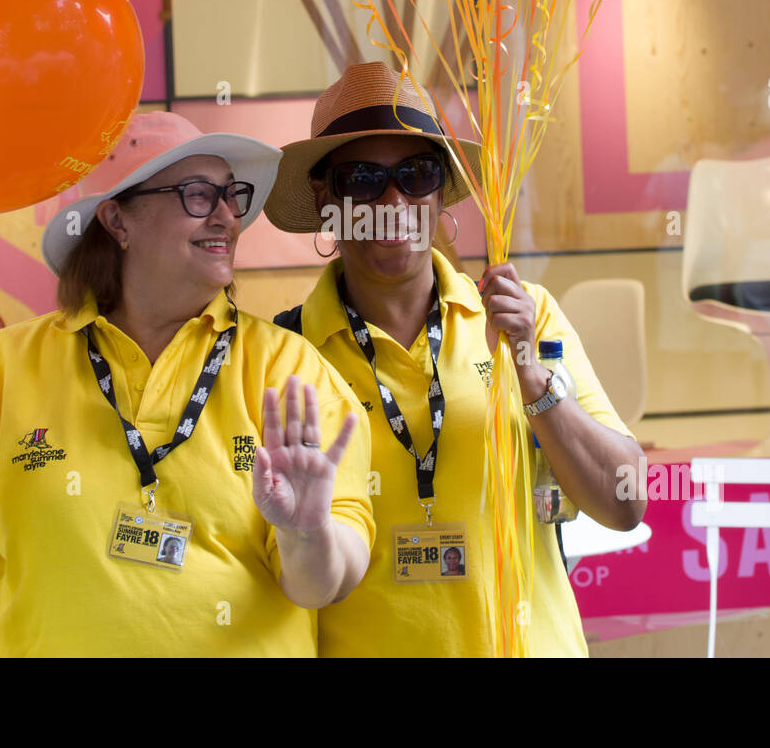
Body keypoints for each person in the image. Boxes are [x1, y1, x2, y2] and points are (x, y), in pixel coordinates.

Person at [0, 113, 374, 657]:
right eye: (198, 195)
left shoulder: (287, 370)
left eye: (231, 195)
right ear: (118, 221)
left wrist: (306, 533)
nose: (226, 217)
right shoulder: (3, 368)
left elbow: (319, 588)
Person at [265, 61, 646, 657]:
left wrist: (534, 380)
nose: (392, 200)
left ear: (440, 190)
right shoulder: (283, 356)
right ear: (326, 200)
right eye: (363, 178)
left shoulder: (530, 319)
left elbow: (625, 503)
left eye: (416, 173)